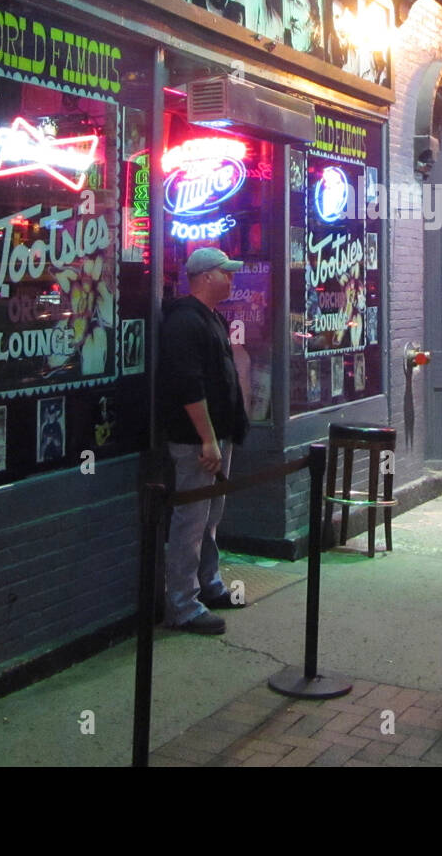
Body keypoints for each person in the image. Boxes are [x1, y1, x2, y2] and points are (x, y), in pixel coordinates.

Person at [158, 247, 250, 634]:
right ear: (205, 276)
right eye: (225, 273)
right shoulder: (184, 321)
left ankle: (207, 585)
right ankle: (182, 606)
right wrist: (207, 439)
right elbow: (188, 385)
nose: (231, 279)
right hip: (197, 442)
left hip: (217, 437)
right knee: (190, 522)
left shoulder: (210, 317)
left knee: (210, 517)